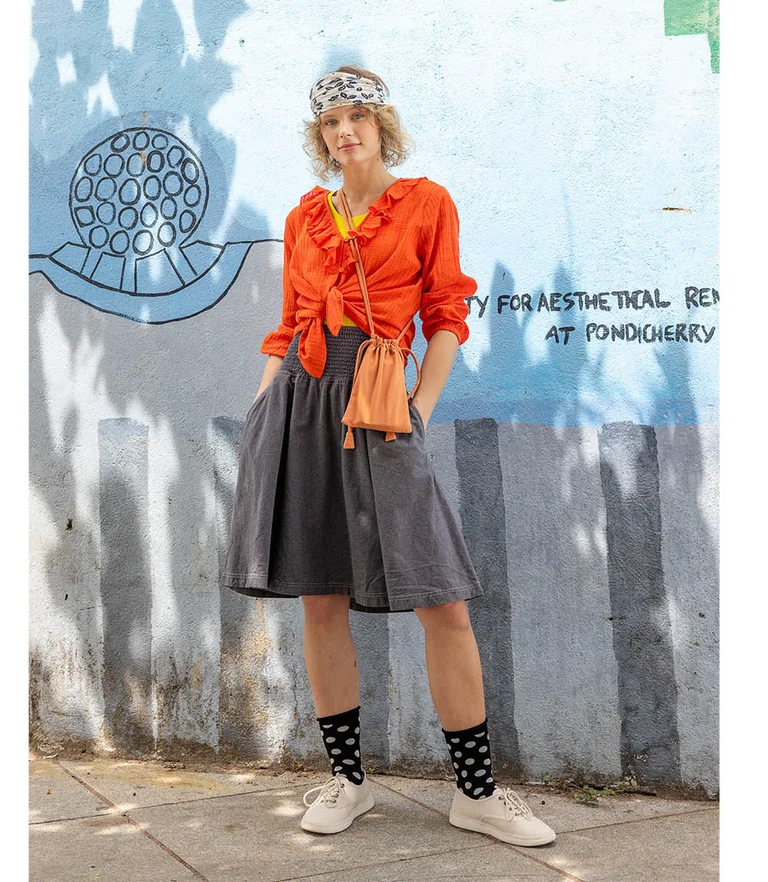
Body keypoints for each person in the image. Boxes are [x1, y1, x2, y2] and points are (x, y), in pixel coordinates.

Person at [221, 66, 555, 847]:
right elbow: (288, 322)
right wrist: (263, 409)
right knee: (320, 597)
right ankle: (347, 780)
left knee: (441, 599)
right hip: (300, 400)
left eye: (358, 118)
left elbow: (445, 314)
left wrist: (418, 411)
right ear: (321, 137)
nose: (345, 131)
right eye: (332, 122)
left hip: (380, 404)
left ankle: (475, 791)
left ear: (381, 126)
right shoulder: (307, 215)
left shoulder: (427, 204)